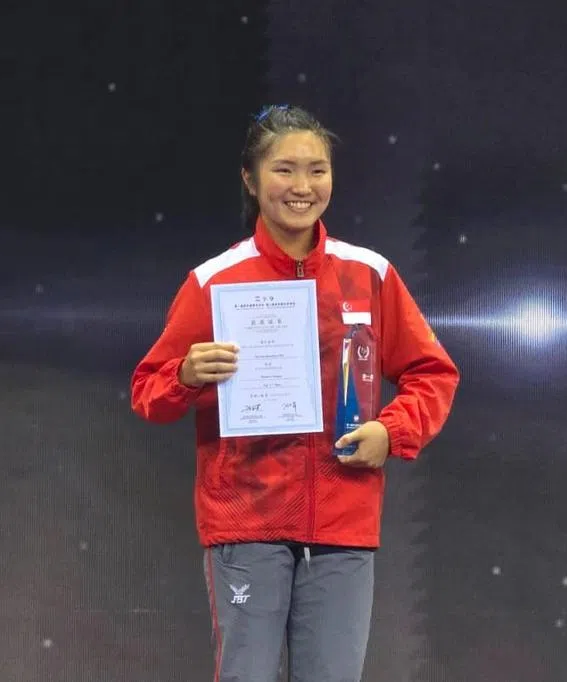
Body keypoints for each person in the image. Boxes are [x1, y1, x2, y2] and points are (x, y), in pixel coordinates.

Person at [130, 104, 459, 682]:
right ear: (250, 179)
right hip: (247, 522)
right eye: (284, 170)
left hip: (343, 520)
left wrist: (392, 432)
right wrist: (186, 374)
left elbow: (433, 372)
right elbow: (147, 391)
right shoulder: (215, 281)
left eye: (317, 170)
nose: (302, 187)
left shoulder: (369, 273)